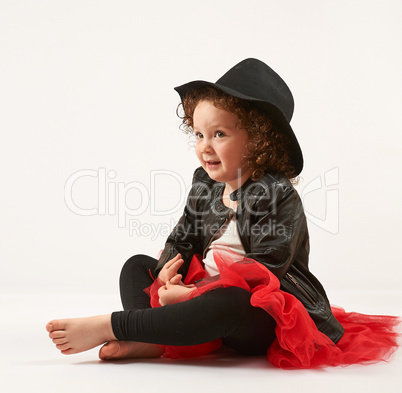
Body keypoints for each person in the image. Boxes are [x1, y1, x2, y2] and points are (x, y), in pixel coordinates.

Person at [46, 58, 399, 368]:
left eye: (219, 134)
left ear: (259, 142)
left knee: (231, 303)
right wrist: (172, 270)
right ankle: (152, 337)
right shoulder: (205, 184)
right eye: (199, 135)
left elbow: (265, 268)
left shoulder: (278, 195)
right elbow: (183, 236)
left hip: (259, 311)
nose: (205, 147)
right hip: (199, 291)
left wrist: (193, 295)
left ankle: (115, 325)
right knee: (137, 266)